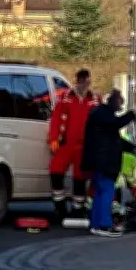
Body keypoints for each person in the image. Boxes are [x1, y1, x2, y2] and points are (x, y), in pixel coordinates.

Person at [81, 89, 136, 237]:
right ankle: (104, 225)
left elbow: (115, 138)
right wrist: (132, 114)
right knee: (107, 192)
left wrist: (133, 148)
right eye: (120, 103)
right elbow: (116, 124)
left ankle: (96, 224)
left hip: (99, 162)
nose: (120, 108)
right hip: (104, 162)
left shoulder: (101, 115)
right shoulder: (103, 114)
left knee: (100, 193)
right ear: (113, 101)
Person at [48, 69, 101, 219]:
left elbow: (101, 122)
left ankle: (78, 208)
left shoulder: (96, 99)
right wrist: (53, 139)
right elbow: (56, 118)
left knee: (80, 178)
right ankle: (60, 206)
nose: (84, 84)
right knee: (55, 171)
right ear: (77, 81)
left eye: (86, 81)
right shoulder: (65, 97)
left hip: (85, 146)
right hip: (65, 143)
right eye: (81, 81)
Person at [86, 132, 136, 232]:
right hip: (110, 187)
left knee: (104, 198)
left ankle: (102, 217)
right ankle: (115, 220)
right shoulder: (130, 158)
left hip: (99, 189)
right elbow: (131, 181)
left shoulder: (111, 145)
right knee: (113, 204)